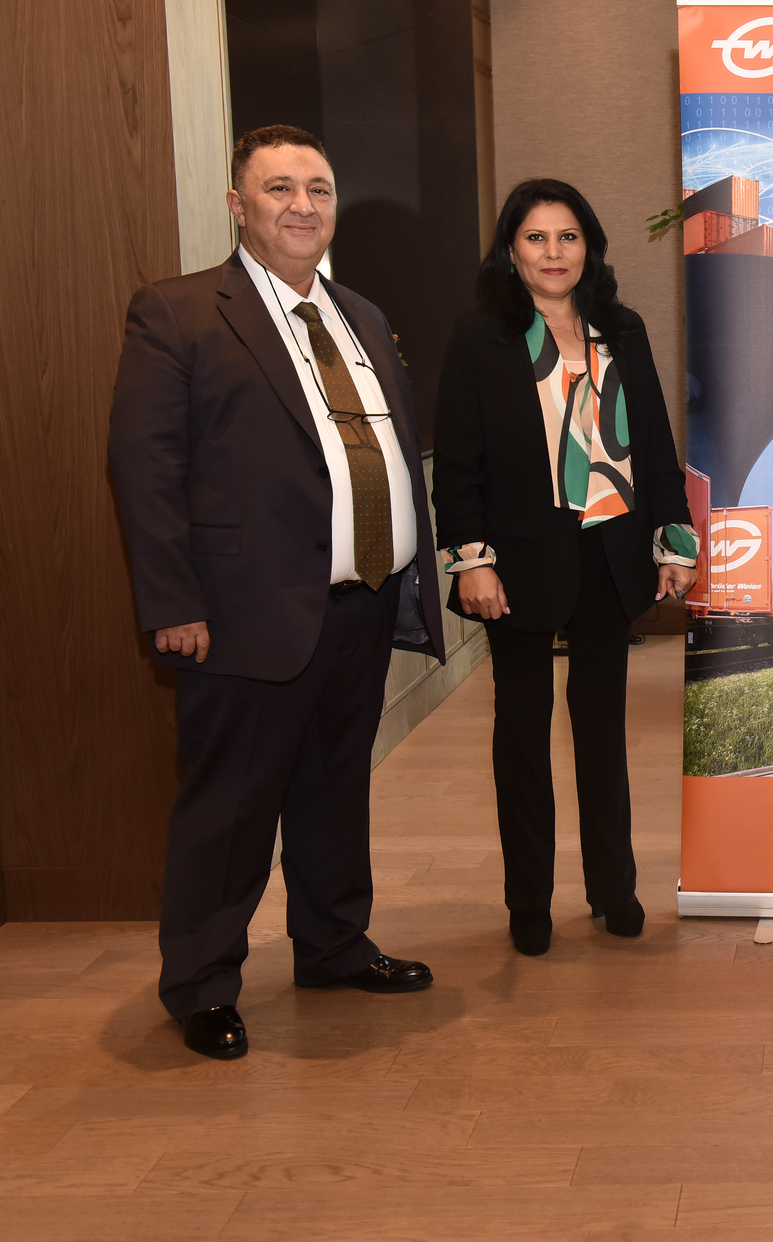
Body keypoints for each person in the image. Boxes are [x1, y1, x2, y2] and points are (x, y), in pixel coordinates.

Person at [109, 125, 445, 1061]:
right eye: (280, 189)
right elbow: (145, 469)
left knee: (337, 791)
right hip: (242, 613)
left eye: (320, 188)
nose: (304, 205)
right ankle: (202, 982)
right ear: (237, 205)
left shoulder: (363, 316)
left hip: (362, 601)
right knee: (230, 807)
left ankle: (333, 945)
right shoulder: (176, 315)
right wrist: (173, 602)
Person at [433, 179, 697, 957]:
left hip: (608, 554)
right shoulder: (481, 336)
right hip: (517, 564)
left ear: (590, 247)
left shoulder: (623, 329)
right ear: (510, 251)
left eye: (568, 237)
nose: (554, 253)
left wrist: (673, 542)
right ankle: (528, 902)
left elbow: (652, 447)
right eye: (536, 239)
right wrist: (472, 562)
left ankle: (614, 887)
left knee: (601, 732)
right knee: (521, 734)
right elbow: (458, 464)